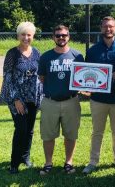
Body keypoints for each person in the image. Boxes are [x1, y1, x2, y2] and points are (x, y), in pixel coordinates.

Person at [82, 16, 115, 174]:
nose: (108, 29)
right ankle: (93, 161)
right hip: (98, 98)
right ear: (101, 28)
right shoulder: (93, 50)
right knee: (97, 131)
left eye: (111, 26)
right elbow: (86, 71)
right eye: (105, 26)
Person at [38, 25, 84, 175]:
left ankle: (68, 162)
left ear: (68, 36)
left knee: (71, 134)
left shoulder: (77, 56)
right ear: (53, 37)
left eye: (64, 35)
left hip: (71, 100)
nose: (61, 38)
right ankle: (48, 163)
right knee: (48, 135)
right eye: (58, 35)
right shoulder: (45, 57)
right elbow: (42, 78)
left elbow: (82, 77)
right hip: (50, 101)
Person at [0, 21, 42, 174]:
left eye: (29, 35)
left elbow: (40, 75)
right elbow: (7, 77)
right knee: (21, 128)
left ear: (33, 36)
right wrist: (16, 99)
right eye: (23, 34)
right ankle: (14, 162)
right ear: (18, 35)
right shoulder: (12, 53)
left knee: (29, 129)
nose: (26, 37)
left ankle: (26, 157)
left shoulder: (37, 53)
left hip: (33, 97)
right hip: (16, 97)